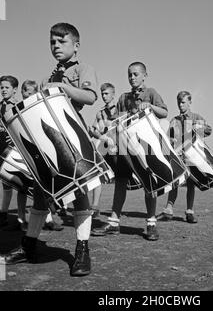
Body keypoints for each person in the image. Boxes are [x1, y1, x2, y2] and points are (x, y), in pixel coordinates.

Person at [3, 23, 99, 277]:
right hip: (48, 142)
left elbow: (90, 97)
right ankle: (30, 245)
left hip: (73, 140)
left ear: (76, 45)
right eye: (52, 43)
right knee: (42, 192)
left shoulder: (83, 69)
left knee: (79, 194)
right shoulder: (47, 76)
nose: (56, 46)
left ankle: (82, 250)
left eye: (61, 41)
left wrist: (63, 88)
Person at [91, 62, 168, 240]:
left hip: (145, 146)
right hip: (125, 147)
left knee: (150, 183)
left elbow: (164, 112)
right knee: (120, 181)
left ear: (144, 75)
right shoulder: (123, 98)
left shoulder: (151, 93)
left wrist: (149, 106)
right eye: (129, 75)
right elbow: (117, 120)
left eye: (135, 74)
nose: (132, 78)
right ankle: (114, 222)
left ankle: (151, 223)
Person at [157, 90, 212, 223]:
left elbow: (209, 130)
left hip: (192, 157)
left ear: (190, 102)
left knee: (191, 184)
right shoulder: (174, 121)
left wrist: (199, 127)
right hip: (177, 157)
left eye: (183, 102)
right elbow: (167, 139)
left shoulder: (196, 117)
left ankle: (189, 212)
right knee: (174, 183)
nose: (180, 105)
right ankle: (168, 210)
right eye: (178, 102)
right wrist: (170, 142)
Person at [21, 80, 64, 232]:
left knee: (45, 187)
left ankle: (51, 217)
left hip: (42, 154)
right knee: (33, 188)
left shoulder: (39, 108)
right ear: (22, 92)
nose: (29, 95)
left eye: (32, 92)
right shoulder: (18, 111)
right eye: (26, 91)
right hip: (28, 153)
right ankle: (38, 220)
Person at [0, 75, 28, 232]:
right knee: (6, 184)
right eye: (1, 87)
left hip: (18, 151)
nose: (3, 90)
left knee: (22, 185)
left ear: (14, 89)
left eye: (7, 87)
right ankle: (3, 215)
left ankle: (21, 218)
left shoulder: (18, 106)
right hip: (3, 151)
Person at [88, 82, 118, 227]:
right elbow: (94, 129)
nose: (104, 96)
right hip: (104, 147)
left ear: (113, 94)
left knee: (121, 180)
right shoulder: (100, 112)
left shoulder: (119, 109)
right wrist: (99, 135)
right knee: (97, 175)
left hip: (119, 148)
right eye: (102, 94)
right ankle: (95, 207)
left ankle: (116, 212)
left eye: (106, 93)